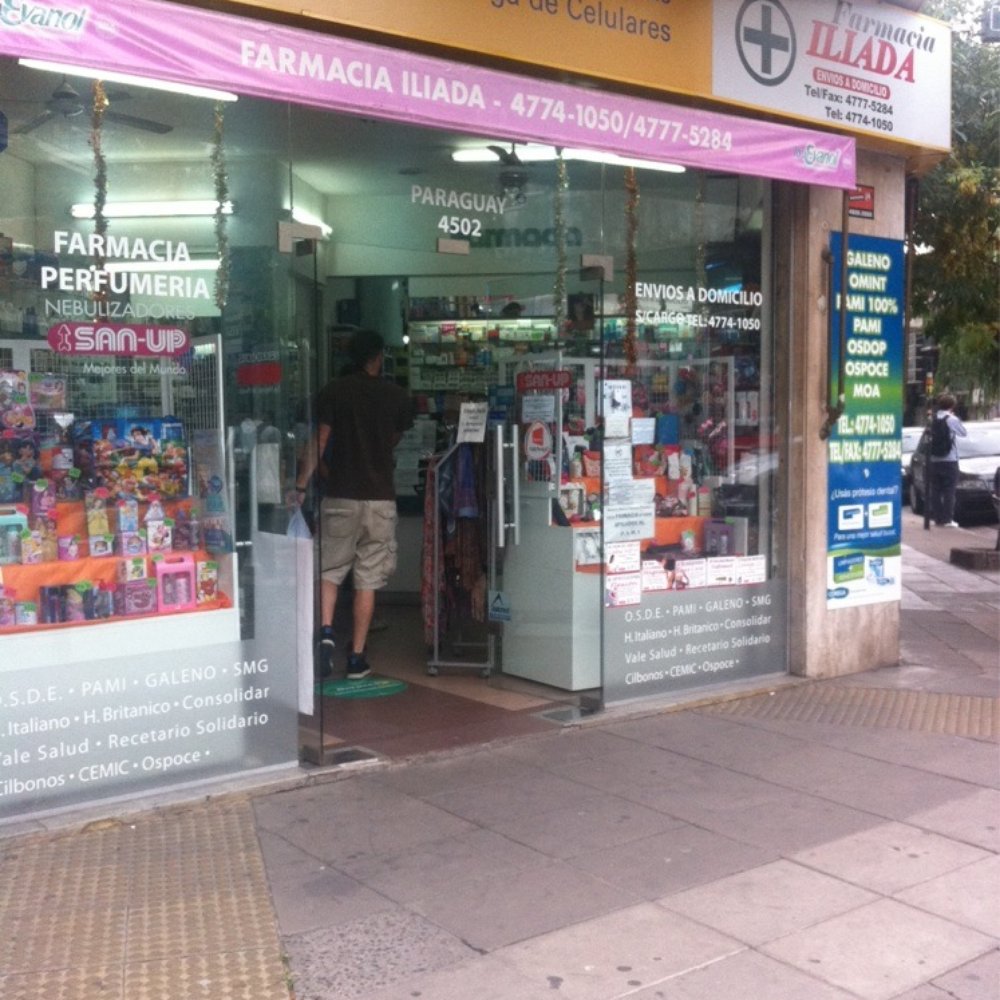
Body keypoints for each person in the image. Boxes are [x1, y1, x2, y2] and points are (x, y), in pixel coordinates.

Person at [293, 329, 413, 679]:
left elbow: (320, 440)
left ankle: (326, 633)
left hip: (340, 495)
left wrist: (301, 485)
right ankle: (357, 657)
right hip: (380, 499)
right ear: (378, 356)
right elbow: (393, 438)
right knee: (367, 580)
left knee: (330, 571)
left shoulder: (334, 391)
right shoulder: (396, 396)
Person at [928, 392, 967, 527]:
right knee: (949, 490)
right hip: (949, 459)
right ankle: (947, 519)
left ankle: (938, 518)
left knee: (936, 490)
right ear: (952, 406)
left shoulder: (932, 418)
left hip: (934, 459)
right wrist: (954, 418)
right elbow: (963, 433)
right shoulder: (951, 419)